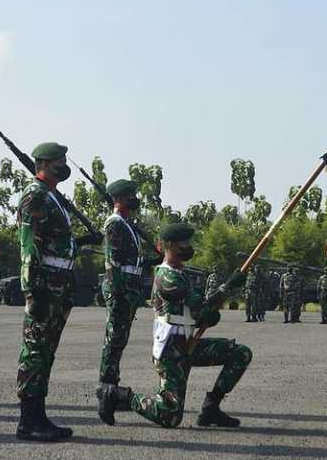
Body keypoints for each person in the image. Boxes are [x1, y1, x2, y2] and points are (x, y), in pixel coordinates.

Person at [98, 223, 250, 428]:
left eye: (188, 243)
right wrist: (228, 286)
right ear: (166, 247)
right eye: (182, 244)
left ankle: (211, 408)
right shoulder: (166, 277)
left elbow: (198, 313)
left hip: (188, 343)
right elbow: (200, 305)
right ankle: (119, 395)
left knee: (239, 353)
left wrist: (206, 317)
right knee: (169, 416)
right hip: (171, 351)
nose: (187, 247)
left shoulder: (181, 273)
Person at [15, 142, 101, 442]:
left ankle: (39, 416)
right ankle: (28, 421)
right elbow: (28, 245)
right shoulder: (35, 195)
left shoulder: (51, 196)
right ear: (43, 164)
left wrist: (81, 243)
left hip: (58, 285)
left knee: (46, 352)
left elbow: (58, 242)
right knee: (35, 351)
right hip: (43, 287)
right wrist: (32, 290)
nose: (64, 166)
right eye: (58, 162)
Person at [97, 179, 161, 425]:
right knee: (113, 341)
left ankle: (111, 388)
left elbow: (132, 260)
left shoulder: (127, 224)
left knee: (119, 340)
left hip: (128, 291)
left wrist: (149, 260)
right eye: (130, 195)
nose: (135, 198)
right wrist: (144, 265)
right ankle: (106, 391)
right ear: (119, 199)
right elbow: (118, 261)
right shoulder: (115, 224)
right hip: (120, 290)